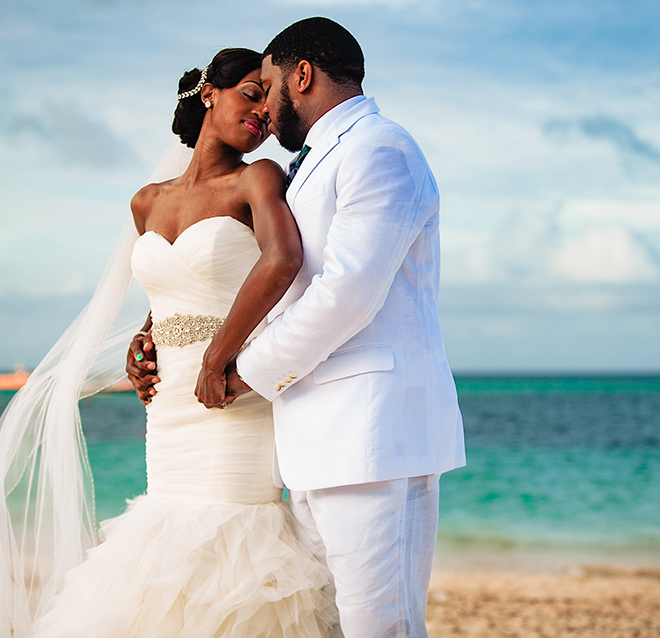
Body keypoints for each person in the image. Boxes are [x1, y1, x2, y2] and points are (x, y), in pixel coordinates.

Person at [0, 48, 336, 638]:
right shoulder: (147, 201)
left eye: (270, 98)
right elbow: (169, 294)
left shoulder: (257, 178)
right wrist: (144, 338)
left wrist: (217, 356)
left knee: (237, 544)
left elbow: (283, 260)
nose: (263, 112)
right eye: (251, 93)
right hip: (169, 410)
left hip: (232, 395)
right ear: (209, 92)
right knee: (160, 549)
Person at [131, 17, 465, 638]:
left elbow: (347, 295)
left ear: (301, 76)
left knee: (378, 627)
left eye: (270, 87)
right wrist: (159, 333)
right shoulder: (311, 163)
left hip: (367, 434)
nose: (264, 109)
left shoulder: (379, 148)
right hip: (311, 438)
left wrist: (236, 370)